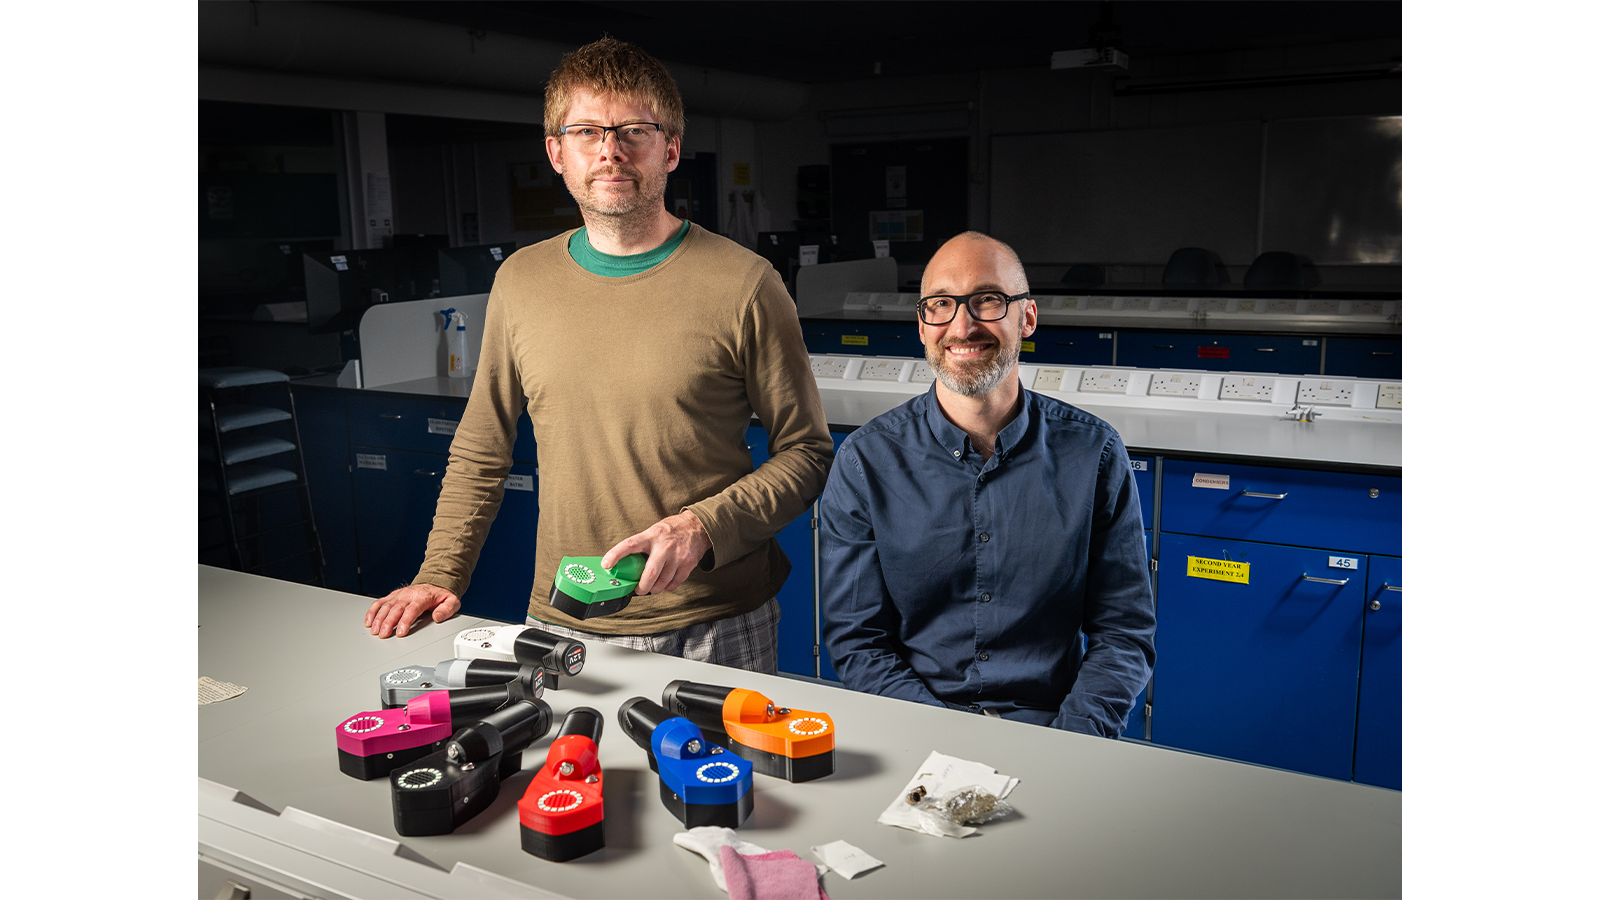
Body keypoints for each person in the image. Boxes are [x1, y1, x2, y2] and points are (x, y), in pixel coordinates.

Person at [364, 37, 833, 674]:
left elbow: (807, 452)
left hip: (716, 623)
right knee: (565, 775)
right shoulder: (522, 280)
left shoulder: (746, 283)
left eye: (634, 130)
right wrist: (440, 571)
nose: (610, 151)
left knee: (724, 778)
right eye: (586, 131)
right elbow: (482, 442)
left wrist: (701, 527)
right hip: (564, 617)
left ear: (670, 148)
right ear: (557, 152)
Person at [818, 232, 1155, 736]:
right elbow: (856, 640)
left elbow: (1123, 632)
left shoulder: (1095, 455)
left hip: (1054, 729)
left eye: (987, 300)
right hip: (915, 725)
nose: (962, 324)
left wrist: (1073, 743)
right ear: (922, 324)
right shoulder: (866, 461)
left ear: (1028, 318)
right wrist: (947, 741)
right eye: (940, 305)